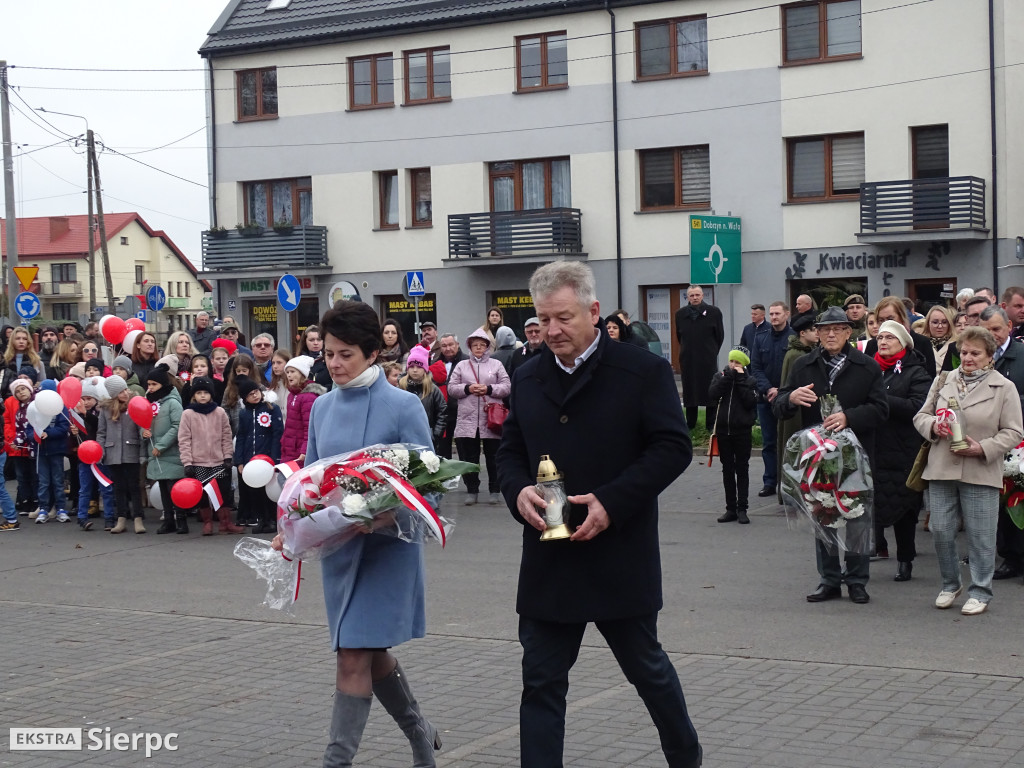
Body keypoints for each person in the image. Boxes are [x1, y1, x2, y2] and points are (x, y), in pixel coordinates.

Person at [496, 261, 703, 768]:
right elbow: (509, 451)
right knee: (541, 684)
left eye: (562, 318)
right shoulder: (526, 376)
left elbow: (673, 447)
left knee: (647, 671)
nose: (551, 331)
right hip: (549, 560)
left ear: (593, 311)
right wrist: (518, 488)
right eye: (543, 320)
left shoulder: (642, 370)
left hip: (619, 555)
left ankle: (686, 755)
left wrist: (612, 501)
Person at [269, 300, 441, 768]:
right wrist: (292, 528)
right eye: (328, 354)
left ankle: (336, 762)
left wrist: (388, 516)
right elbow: (308, 482)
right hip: (339, 554)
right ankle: (420, 732)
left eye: (346, 354)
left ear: (371, 353)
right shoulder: (322, 407)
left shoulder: (405, 405)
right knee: (367, 649)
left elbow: (431, 491)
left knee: (352, 655)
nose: (335, 364)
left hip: (387, 554)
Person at [773, 306, 888, 605]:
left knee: (857, 519)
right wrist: (791, 398)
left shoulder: (866, 366)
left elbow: (881, 409)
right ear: (817, 334)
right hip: (818, 460)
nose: (831, 334)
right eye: (825, 329)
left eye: (838, 328)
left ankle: (857, 581)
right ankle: (830, 580)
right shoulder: (803, 365)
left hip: (855, 459)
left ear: (849, 332)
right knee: (823, 516)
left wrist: (849, 417)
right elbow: (780, 403)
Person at [913, 326, 1023, 616]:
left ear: (989, 357)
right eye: (963, 352)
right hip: (941, 467)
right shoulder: (944, 379)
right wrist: (933, 427)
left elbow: (1014, 431)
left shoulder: (1003, 387)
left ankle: (981, 591)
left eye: (975, 353)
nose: (968, 358)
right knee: (941, 530)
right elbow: (920, 416)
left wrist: (983, 448)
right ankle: (950, 584)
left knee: (981, 535)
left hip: (980, 468)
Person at [870, 321, 931, 579]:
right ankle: (867, 553)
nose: (883, 342)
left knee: (904, 508)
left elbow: (918, 406)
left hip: (904, 449)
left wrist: (882, 400)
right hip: (874, 446)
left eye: (889, 338)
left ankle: (905, 559)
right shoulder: (871, 369)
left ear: (903, 343)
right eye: (880, 337)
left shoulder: (916, 372)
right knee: (872, 503)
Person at [978, 306, 1024, 581]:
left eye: (996, 329)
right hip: (990, 442)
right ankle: (1010, 557)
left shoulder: (1021, 356)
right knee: (1000, 503)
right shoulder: (978, 358)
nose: (992, 335)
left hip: (1019, 439)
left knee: (1019, 500)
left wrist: (1009, 406)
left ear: (1008, 326)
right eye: (986, 331)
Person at [448, 327, 511, 505]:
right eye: (475, 345)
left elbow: (507, 386)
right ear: (470, 346)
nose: (478, 348)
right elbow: (452, 388)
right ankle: (472, 490)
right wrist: (467, 388)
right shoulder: (461, 365)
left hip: (491, 418)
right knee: (469, 457)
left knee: (494, 456)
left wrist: (489, 389)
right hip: (467, 419)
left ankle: (494, 489)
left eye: (482, 345)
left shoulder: (496, 365)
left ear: (487, 347)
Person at [179, 376, 241, 536]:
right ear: (194, 395)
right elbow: (184, 439)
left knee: (224, 493)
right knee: (203, 494)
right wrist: (187, 463)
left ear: (211, 394)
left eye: (205, 393)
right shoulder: (188, 414)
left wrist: (228, 457)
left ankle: (225, 522)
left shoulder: (219, 412)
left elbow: (226, 436)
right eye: (199, 393)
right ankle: (207, 522)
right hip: (198, 462)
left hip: (219, 461)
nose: (202, 396)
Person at [750, 301, 795, 499]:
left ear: (786, 314)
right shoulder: (760, 338)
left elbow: (796, 368)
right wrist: (768, 388)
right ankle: (770, 481)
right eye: (771, 314)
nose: (774, 317)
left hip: (788, 398)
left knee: (788, 442)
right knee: (769, 442)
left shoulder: (794, 338)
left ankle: (788, 483)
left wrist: (782, 390)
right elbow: (756, 367)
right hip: (766, 398)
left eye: (777, 313)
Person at [709, 346, 757, 525]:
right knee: (727, 469)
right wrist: (728, 378)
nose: (733, 364)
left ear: (743, 364)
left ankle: (742, 508)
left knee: (742, 469)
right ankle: (730, 508)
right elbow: (713, 395)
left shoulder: (750, 380)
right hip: (723, 431)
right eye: (731, 361)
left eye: (737, 362)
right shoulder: (720, 376)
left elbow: (750, 401)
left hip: (741, 431)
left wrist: (741, 379)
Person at [232, 376, 283, 533]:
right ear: (244, 398)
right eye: (250, 394)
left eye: (256, 392)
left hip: (267, 458)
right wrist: (239, 460)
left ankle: (272, 520)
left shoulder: (271, 409)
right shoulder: (244, 414)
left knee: (269, 491)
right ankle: (261, 519)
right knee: (255, 491)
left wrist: (276, 458)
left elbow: (277, 434)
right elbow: (240, 437)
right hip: (250, 460)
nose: (255, 396)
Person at [776, 314, 818, 499]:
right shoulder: (796, 355)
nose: (817, 333)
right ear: (803, 333)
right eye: (813, 330)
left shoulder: (803, 351)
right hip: (795, 410)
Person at [142, 365, 187, 535]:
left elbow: (177, 426)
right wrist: (143, 432)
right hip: (156, 453)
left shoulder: (173, 403)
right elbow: (143, 422)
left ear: (163, 384)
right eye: (149, 384)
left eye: (154, 384)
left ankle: (181, 520)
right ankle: (169, 520)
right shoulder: (149, 402)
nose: (150, 388)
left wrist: (161, 445)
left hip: (170, 452)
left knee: (174, 489)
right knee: (163, 488)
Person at [98, 376, 146, 533]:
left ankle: (138, 518)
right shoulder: (106, 409)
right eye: (121, 391)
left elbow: (141, 427)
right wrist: (101, 450)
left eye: (126, 389)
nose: (126, 393)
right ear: (113, 394)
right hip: (113, 452)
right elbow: (102, 432)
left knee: (134, 485)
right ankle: (121, 518)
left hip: (131, 450)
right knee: (119, 486)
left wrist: (142, 451)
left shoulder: (134, 404)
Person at [69, 377, 117, 532]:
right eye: (82, 399)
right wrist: (73, 433)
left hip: (101, 456)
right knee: (85, 489)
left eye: (89, 399)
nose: (85, 402)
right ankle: (82, 517)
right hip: (85, 458)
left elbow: (99, 429)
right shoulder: (75, 416)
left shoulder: (100, 414)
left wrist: (86, 416)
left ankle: (109, 517)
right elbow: (77, 440)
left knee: (106, 488)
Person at [674, 285, 725, 431]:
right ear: (687, 297)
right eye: (691, 295)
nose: (695, 298)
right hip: (688, 359)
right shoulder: (680, 314)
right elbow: (679, 335)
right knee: (690, 390)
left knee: (710, 390)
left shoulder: (714, 312)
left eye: (697, 295)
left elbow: (719, 336)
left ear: (702, 295)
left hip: (707, 358)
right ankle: (690, 424)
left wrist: (711, 351)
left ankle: (710, 425)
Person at [26, 383, 71, 525]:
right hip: (41, 451)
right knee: (43, 482)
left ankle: (61, 508)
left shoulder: (60, 408)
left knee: (58, 481)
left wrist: (48, 433)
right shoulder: (34, 407)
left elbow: (63, 427)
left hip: (56, 450)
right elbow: (29, 428)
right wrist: (34, 436)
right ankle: (44, 509)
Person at [862, 297, 936, 378]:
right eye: (881, 320)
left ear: (901, 317)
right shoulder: (872, 345)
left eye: (890, 318)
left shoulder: (922, 342)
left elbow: (930, 377)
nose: (887, 323)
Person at [280, 356, 326, 465]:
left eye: (292, 371)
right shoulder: (291, 395)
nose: (289, 375)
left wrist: (305, 450)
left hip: (300, 451)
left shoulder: (308, 398)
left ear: (302, 374)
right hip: (289, 448)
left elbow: (309, 427)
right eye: (287, 372)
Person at [399, 345, 446, 451]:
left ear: (425, 369)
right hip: (403, 437)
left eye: (419, 366)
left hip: (427, 437)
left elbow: (442, 413)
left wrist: (435, 435)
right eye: (411, 366)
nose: (415, 370)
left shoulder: (433, 389)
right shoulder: (400, 387)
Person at [4, 378, 38, 519]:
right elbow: (19, 429)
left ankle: (37, 502)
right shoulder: (18, 411)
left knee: (34, 476)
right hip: (19, 448)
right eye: (17, 391)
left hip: (33, 447)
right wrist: (14, 440)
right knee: (21, 476)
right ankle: (25, 501)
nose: (21, 393)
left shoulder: (36, 405)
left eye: (23, 389)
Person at [435, 333, 464, 459]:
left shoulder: (466, 361)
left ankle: (470, 479)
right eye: (444, 346)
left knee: (464, 451)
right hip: (442, 413)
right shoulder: (435, 363)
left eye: (451, 345)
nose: (448, 348)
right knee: (442, 453)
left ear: (457, 345)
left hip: (462, 412)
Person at [921, 305, 957, 371]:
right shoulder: (920, 343)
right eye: (935, 322)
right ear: (928, 323)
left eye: (944, 322)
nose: (940, 326)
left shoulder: (957, 344)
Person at [298, 324, 331, 388]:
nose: (315, 343)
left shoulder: (330, 360)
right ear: (305, 341)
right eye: (311, 340)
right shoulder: (298, 361)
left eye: (319, 339)